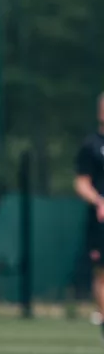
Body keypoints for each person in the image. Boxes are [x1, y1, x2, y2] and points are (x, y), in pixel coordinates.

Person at [74, 93, 104, 339]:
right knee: (101, 273)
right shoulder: (91, 146)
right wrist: (98, 200)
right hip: (100, 220)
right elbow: (82, 182)